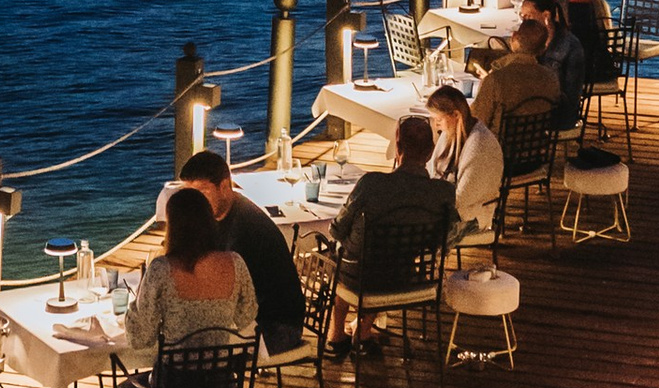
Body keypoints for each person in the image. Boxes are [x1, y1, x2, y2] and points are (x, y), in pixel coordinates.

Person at [117, 184, 258, 388]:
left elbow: (140, 338)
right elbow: (246, 315)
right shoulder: (235, 263)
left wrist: (132, 308)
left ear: (173, 227)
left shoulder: (161, 270)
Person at [329, 114, 456, 339]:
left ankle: (336, 335)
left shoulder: (371, 184)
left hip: (361, 279)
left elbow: (337, 230)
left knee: (343, 256)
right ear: (430, 152)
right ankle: (362, 333)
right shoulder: (444, 193)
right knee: (387, 257)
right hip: (407, 278)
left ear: (397, 147)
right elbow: (442, 241)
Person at [174, 148, 306, 354]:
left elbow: (227, 297)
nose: (195, 202)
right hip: (250, 317)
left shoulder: (245, 229)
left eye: (202, 192)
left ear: (224, 187)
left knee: (190, 347)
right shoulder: (217, 213)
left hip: (276, 327)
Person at [424, 82, 503, 245]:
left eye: (439, 119)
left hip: (470, 216)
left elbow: (463, 198)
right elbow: (432, 170)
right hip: (446, 205)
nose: (436, 125)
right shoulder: (451, 132)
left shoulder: (480, 146)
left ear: (456, 115)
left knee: (413, 230)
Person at [473, 15, 562, 134]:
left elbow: (478, 121)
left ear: (514, 37)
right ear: (543, 49)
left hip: (499, 143)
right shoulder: (551, 78)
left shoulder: (496, 80)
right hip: (537, 141)